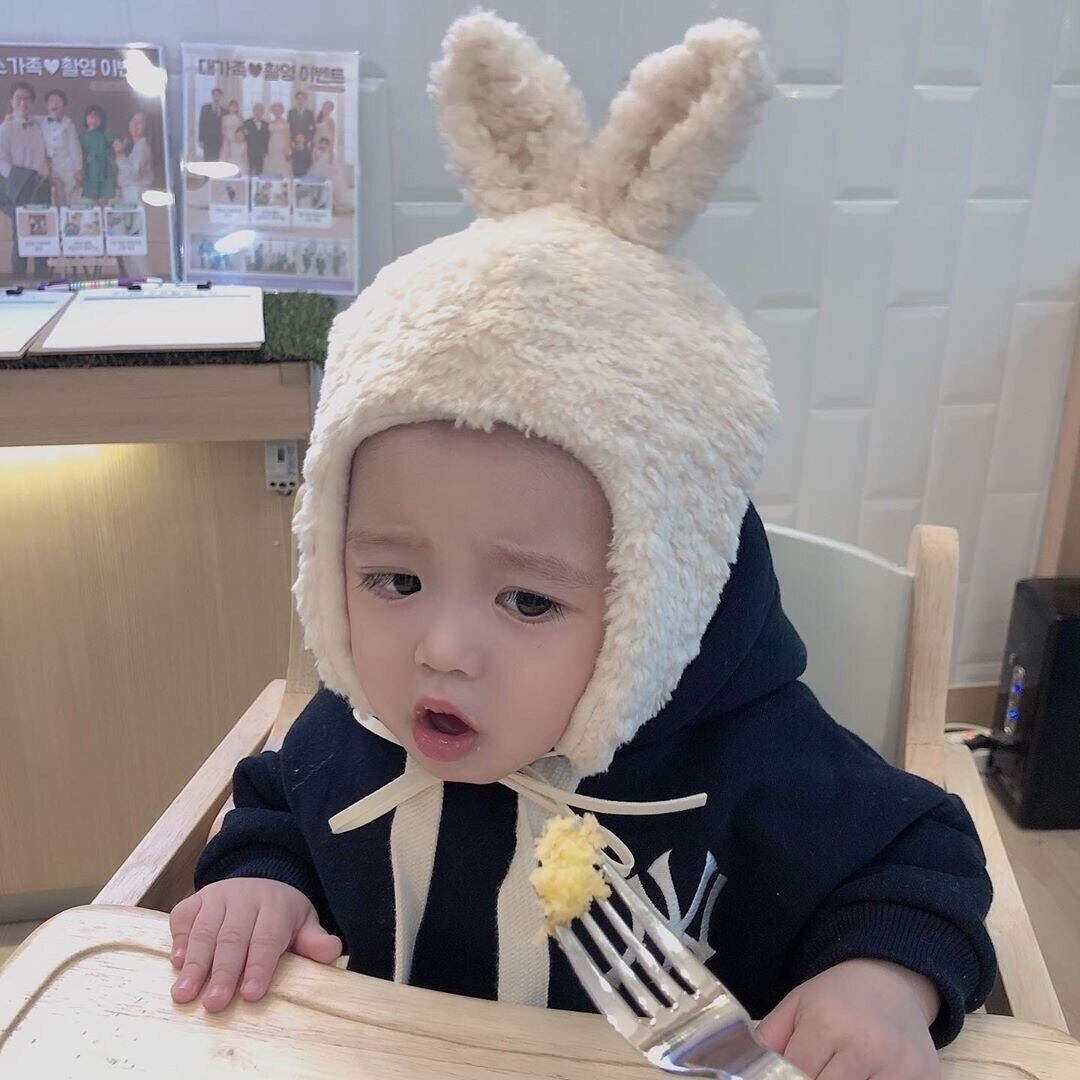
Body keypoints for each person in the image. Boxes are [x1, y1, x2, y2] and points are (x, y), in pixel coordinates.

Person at [170, 16, 996, 1080]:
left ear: (662, 599)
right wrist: (258, 884)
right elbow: (276, 807)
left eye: (527, 601)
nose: (440, 649)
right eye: (395, 579)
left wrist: (880, 984)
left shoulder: (754, 761)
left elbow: (921, 859)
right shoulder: (360, 727)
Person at [0, 81, 50, 278]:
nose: (23, 103)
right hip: (19, 188)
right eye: (18, 99)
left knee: (43, 236)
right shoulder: (5, 129)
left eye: (27, 99)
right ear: (11, 102)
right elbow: (2, 160)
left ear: (33, 103)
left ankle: (42, 280)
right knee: (20, 237)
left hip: (41, 186)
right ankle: (18, 282)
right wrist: (17, 179)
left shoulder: (41, 125)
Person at [114, 110, 154, 275]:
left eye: (140, 122)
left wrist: (120, 155)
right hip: (129, 195)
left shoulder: (143, 147)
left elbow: (133, 175)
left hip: (136, 195)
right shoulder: (135, 147)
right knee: (127, 241)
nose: (136, 125)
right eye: (133, 121)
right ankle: (136, 277)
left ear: (146, 126)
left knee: (134, 241)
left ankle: (145, 277)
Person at [39, 88, 83, 207]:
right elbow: (27, 119)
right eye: (51, 101)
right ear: (47, 106)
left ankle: (67, 217)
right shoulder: (41, 121)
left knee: (69, 197)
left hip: (67, 166)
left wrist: (78, 168)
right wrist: (11, 117)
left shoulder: (68, 123)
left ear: (64, 106)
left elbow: (75, 147)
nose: (55, 103)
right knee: (53, 197)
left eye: (58, 101)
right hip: (49, 167)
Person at [79, 104, 116, 207]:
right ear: (86, 118)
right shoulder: (82, 137)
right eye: (91, 117)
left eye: (97, 118)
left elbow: (115, 145)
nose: (94, 120)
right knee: (90, 201)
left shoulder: (105, 134)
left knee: (104, 201)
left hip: (104, 168)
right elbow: (79, 153)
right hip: (90, 169)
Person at [242, 102, 270, 176]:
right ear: (253, 111)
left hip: (261, 152)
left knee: (259, 171)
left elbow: (267, 139)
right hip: (250, 151)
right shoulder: (247, 123)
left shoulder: (266, 124)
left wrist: (266, 151)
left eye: (260, 110)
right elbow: (244, 137)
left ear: (263, 112)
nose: (258, 112)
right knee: (250, 171)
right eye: (256, 110)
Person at [221, 100, 248, 175]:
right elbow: (223, 130)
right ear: (229, 107)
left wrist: (239, 139)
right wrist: (227, 140)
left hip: (238, 140)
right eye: (231, 106)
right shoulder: (224, 118)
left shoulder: (240, 118)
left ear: (237, 108)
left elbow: (243, 130)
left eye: (235, 106)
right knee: (226, 156)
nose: (233, 108)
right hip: (227, 140)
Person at [198, 87, 225, 161]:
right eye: (215, 95)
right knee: (207, 160)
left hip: (218, 140)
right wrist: (200, 139)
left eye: (218, 95)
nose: (216, 97)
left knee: (217, 160)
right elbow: (201, 124)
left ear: (221, 96)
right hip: (207, 139)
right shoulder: (205, 108)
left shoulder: (224, 110)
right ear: (212, 96)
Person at [265, 102, 290, 175]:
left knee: (281, 161)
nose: (276, 112)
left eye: (278, 110)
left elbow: (288, 136)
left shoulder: (285, 123)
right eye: (275, 110)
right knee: (272, 161)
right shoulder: (270, 123)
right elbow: (269, 136)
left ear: (282, 111)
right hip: (272, 144)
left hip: (282, 144)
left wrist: (287, 148)